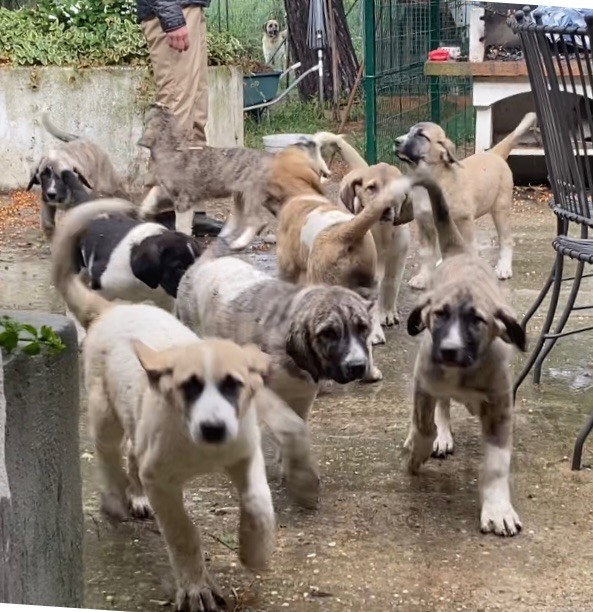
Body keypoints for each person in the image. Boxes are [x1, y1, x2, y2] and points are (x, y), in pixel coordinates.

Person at [137, 0, 222, 236]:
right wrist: (171, 16)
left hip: (187, 10)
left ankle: (190, 209)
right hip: (173, 11)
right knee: (176, 113)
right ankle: (162, 210)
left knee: (195, 115)